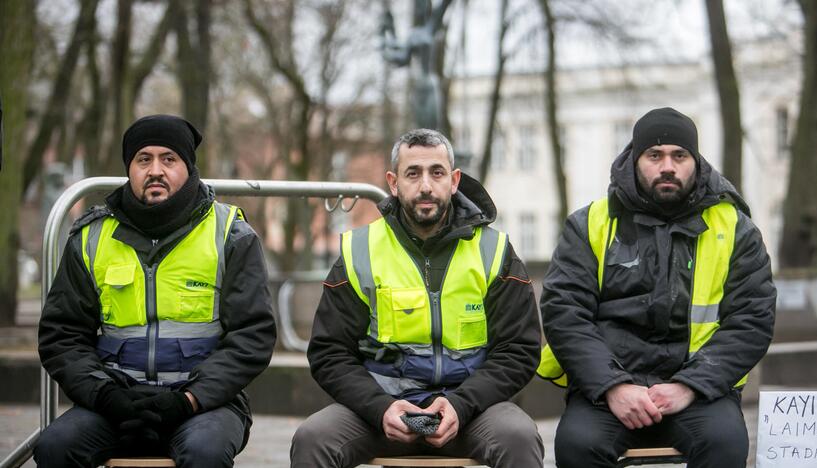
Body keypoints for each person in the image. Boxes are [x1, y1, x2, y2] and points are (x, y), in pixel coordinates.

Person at [291, 128, 543, 467]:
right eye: (413, 173)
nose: (426, 185)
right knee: (313, 439)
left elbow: (519, 349)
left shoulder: (494, 251)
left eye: (436, 172)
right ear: (394, 183)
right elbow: (329, 352)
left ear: (454, 180)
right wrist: (381, 408)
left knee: (519, 438)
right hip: (381, 411)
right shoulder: (360, 251)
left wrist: (462, 404)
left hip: (472, 411)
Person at [538, 107, 776, 468]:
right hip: (607, 394)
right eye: (655, 155)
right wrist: (614, 387)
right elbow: (564, 314)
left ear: (695, 161)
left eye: (679, 155)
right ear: (636, 160)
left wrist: (689, 386)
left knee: (726, 445)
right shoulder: (590, 224)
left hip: (700, 392)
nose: (668, 166)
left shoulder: (735, 228)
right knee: (576, 447)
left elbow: (752, 319)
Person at [34, 114, 277, 468]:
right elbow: (61, 335)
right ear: (130, 169)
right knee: (54, 447)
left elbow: (253, 336)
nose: (155, 170)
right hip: (113, 404)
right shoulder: (91, 237)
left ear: (189, 167)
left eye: (169, 158)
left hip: (203, 406)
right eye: (143, 159)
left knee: (205, 454)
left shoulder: (231, 235)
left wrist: (188, 400)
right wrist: (106, 396)